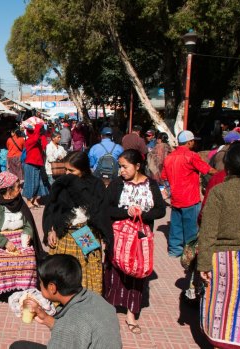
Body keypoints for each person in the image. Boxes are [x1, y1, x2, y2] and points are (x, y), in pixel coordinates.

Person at [105, 149, 166, 334]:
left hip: (140, 240)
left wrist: (142, 214)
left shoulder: (152, 185)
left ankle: (131, 313)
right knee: (114, 272)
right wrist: (127, 212)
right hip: (119, 238)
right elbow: (107, 208)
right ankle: (110, 310)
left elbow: (161, 210)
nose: (121, 170)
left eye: (125, 167)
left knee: (136, 274)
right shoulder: (117, 184)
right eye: (120, 166)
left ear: (138, 166)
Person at [198, 142, 240, 349]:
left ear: (228, 165)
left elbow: (208, 232)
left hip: (223, 261)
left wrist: (203, 264)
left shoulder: (220, 192)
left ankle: (222, 343)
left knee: (222, 307)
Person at [12, 255, 122, 349]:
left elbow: (71, 330)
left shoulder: (71, 324)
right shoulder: (95, 298)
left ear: (52, 288)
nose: (39, 286)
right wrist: (46, 319)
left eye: (40, 283)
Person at [42, 151, 112, 294]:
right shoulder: (60, 184)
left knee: (87, 272)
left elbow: (100, 213)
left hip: (85, 233)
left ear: (84, 169)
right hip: (63, 234)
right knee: (61, 273)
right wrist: (51, 230)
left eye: (72, 170)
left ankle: (86, 304)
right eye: (65, 169)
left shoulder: (95, 186)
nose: (67, 174)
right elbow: (52, 210)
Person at [0, 171, 38, 307]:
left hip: (18, 237)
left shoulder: (19, 202)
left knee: (28, 257)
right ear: (8, 189)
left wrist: (27, 234)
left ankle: (26, 291)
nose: (20, 189)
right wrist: (4, 243)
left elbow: (28, 224)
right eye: (17, 187)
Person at [161, 130, 217, 257]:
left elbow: (164, 176)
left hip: (175, 199)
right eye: (193, 141)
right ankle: (189, 253)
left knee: (176, 227)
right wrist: (222, 173)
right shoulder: (191, 156)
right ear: (190, 142)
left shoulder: (169, 157)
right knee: (191, 228)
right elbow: (207, 169)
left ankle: (174, 251)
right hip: (190, 198)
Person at [23, 124, 48, 209]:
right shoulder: (29, 141)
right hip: (30, 164)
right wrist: (38, 127)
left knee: (37, 184)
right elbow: (34, 139)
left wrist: (42, 134)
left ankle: (34, 200)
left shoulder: (37, 141)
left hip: (38, 164)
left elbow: (45, 145)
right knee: (30, 183)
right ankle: (29, 202)